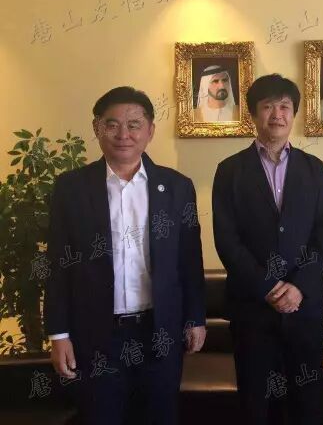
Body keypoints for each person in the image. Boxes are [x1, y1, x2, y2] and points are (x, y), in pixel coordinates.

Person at [44, 86, 207, 425]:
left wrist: (196, 317)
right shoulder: (71, 188)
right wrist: (58, 334)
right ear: (97, 128)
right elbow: (58, 265)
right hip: (96, 335)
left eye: (134, 125)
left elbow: (190, 260)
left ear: (150, 130)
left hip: (159, 331)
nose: (123, 134)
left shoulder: (177, 187)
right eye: (112, 124)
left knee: (160, 416)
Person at [212, 74, 323, 425]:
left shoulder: (314, 169)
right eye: (268, 106)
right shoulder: (230, 171)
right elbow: (227, 240)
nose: (277, 114)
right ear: (253, 114)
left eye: (284, 107)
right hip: (252, 309)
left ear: (294, 113)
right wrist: (268, 286)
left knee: (306, 402)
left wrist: (298, 286)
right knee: (255, 403)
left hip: (304, 307)